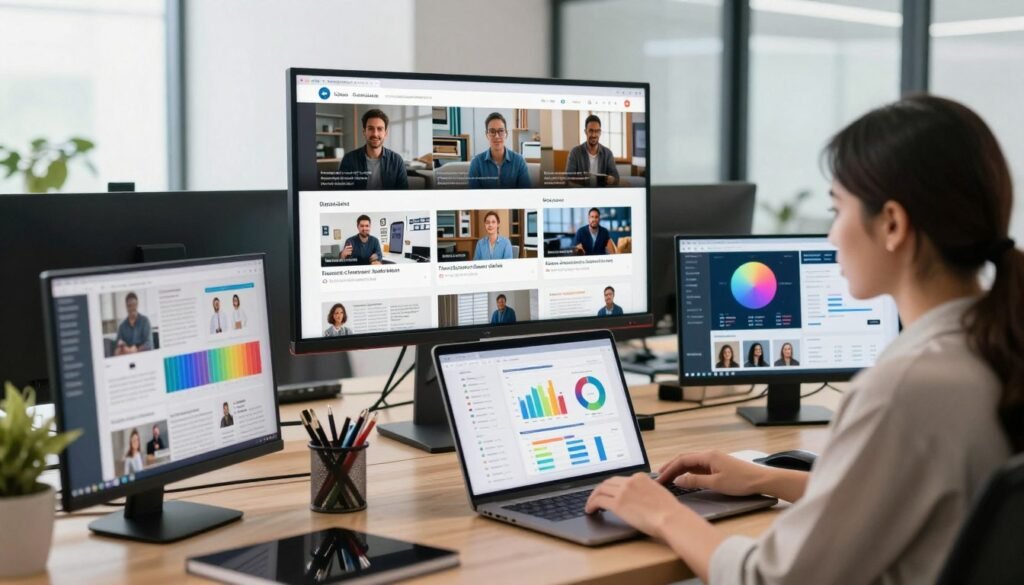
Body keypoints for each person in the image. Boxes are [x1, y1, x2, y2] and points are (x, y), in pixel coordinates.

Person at [583, 95, 1021, 584]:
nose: (832, 235)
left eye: (838, 210)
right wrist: (769, 479)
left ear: (893, 224)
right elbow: (901, 497)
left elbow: (768, 579)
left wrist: (662, 512)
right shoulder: (992, 348)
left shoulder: (904, 390)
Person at [338, 109, 409, 190]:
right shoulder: (349, 160)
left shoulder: (397, 161)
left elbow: (403, 195)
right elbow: (342, 192)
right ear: (364, 132)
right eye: (371, 128)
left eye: (380, 129)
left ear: (385, 133)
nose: (375, 134)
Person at [468, 112, 531, 188]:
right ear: (487, 135)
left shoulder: (519, 161)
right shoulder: (476, 163)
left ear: (506, 134)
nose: (497, 136)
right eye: (492, 131)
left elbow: (525, 194)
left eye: (501, 131)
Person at [566, 114, 620, 187]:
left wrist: (612, 179)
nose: (594, 135)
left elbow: (616, 177)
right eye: (591, 131)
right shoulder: (575, 152)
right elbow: (568, 177)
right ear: (586, 132)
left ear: (600, 132)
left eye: (597, 131)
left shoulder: (608, 153)